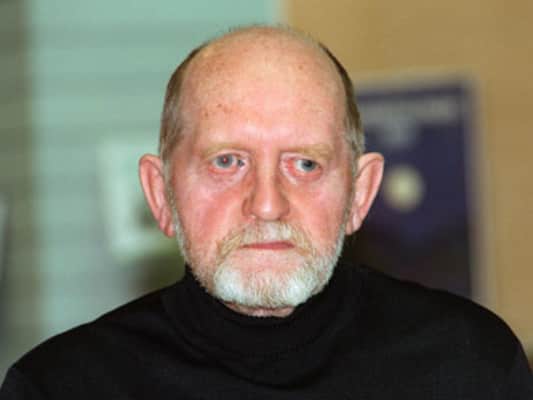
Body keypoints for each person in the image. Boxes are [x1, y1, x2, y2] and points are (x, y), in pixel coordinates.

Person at [1, 25, 532, 399]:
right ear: (161, 195)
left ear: (360, 193)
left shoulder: (471, 367)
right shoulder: (61, 388)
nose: (268, 203)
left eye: (305, 164)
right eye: (227, 162)